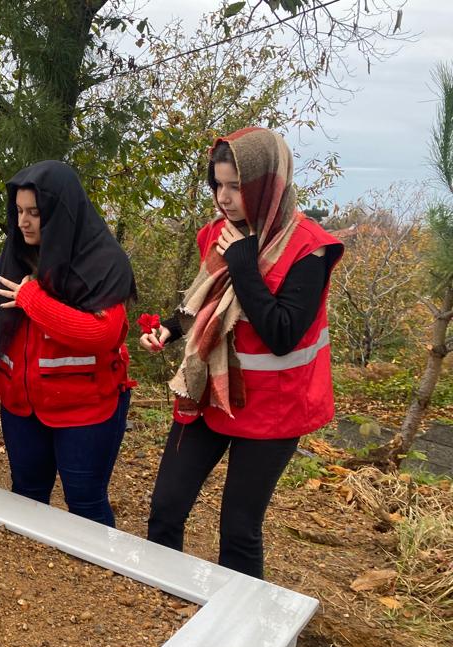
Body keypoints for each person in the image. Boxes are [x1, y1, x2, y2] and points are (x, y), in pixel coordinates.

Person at [139, 126, 344, 579]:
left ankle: (241, 617)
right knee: (166, 506)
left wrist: (245, 262)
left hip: (273, 409)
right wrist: (170, 330)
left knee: (239, 528)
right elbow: (205, 301)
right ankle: (163, 599)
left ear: (268, 185)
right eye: (218, 185)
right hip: (208, 392)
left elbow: (282, 334)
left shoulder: (308, 248)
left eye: (236, 186)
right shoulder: (218, 232)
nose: (224, 198)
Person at [0, 160, 136, 528]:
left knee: (85, 503)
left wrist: (33, 300)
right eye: (19, 211)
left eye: (34, 213)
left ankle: (92, 565)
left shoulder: (102, 262)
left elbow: (102, 334)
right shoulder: (15, 253)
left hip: (86, 409)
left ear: (60, 212)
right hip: (23, 407)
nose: (24, 222)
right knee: (27, 497)